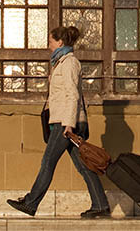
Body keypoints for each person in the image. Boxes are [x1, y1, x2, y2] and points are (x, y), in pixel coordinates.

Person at [7, 25, 111, 219]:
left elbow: (72, 95)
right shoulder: (60, 62)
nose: (49, 45)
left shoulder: (69, 63)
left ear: (60, 42)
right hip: (63, 120)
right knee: (83, 166)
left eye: (50, 41)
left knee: (48, 162)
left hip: (65, 123)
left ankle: (31, 203)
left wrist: (69, 124)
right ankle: (100, 205)